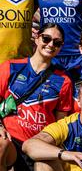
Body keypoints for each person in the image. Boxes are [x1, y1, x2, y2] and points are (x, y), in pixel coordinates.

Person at [0, 24, 73, 171]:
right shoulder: (10, 67)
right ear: (37, 38)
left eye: (57, 43)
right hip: (11, 141)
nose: (51, 45)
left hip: (38, 145)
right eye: (46, 39)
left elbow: (61, 123)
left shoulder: (64, 80)